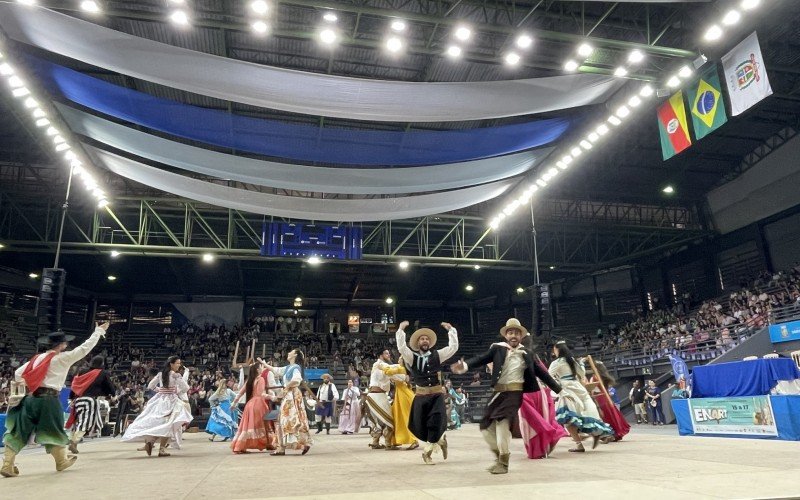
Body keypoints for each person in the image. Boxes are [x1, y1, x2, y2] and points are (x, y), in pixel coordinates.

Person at [452, 318, 561, 474]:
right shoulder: (497, 349)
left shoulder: (527, 353)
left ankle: (504, 461)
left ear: (521, 336)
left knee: (502, 422)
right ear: (506, 336)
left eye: (516, 333)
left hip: (514, 393)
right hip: (498, 392)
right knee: (484, 427)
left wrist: (560, 390)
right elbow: (481, 358)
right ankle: (499, 454)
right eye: (510, 333)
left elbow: (543, 374)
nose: (513, 335)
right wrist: (464, 366)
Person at [2, 323, 108, 477]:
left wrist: (35, 382)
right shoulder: (63, 358)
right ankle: (61, 461)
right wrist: (98, 331)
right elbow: (85, 348)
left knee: (17, 431)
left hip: (31, 399)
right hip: (49, 400)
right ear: (62, 345)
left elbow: (19, 374)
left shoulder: (36, 358)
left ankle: (7, 464)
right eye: (65, 342)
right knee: (53, 429)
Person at [396, 321, 459, 465]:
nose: (425, 340)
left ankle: (427, 453)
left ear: (430, 343)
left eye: (427, 339)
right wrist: (400, 330)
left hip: (436, 396)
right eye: (422, 339)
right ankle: (441, 441)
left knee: (435, 422)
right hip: (421, 396)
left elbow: (453, 348)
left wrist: (451, 330)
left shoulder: (438, 355)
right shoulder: (412, 357)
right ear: (418, 343)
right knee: (419, 425)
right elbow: (401, 347)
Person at [121, 356, 194, 457]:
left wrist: (160, 390)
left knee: (160, 423)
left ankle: (150, 443)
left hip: (160, 400)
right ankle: (161, 449)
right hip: (171, 401)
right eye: (177, 363)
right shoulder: (176, 375)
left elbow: (150, 385)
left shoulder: (161, 374)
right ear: (171, 364)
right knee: (168, 425)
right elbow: (186, 388)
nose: (179, 365)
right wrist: (175, 391)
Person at [548, 341, 613, 453]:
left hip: (567, 389)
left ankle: (580, 443)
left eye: (554, 349)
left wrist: (557, 385)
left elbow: (549, 376)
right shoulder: (572, 360)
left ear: (558, 350)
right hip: (578, 387)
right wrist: (581, 363)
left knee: (568, 418)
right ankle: (595, 434)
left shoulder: (557, 362)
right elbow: (582, 374)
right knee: (585, 413)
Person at [263, 349, 312, 455]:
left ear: (295, 355)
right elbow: (275, 370)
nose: (288, 352)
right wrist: (264, 364)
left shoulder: (295, 368)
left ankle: (299, 443)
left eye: (291, 351)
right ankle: (282, 447)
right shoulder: (288, 368)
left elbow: (296, 380)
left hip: (292, 395)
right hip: (288, 395)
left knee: (292, 419)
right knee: (285, 419)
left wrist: (286, 388)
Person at [66, 355, 116, 453]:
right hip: (90, 400)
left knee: (78, 422)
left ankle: (74, 443)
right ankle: (74, 440)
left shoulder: (81, 371)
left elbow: (75, 385)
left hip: (77, 400)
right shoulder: (102, 373)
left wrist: (71, 398)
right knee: (86, 422)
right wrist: (111, 395)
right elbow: (110, 388)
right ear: (102, 364)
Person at [230, 363, 270, 453]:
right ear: (257, 370)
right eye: (261, 367)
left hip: (249, 405)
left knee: (247, 427)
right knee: (263, 425)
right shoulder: (261, 379)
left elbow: (240, 393)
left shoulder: (250, 380)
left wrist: (233, 403)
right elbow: (261, 394)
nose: (263, 368)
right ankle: (268, 443)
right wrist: (272, 397)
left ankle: (240, 446)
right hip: (259, 404)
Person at [588, 359, 630, 442]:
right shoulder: (604, 376)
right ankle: (614, 433)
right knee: (611, 415)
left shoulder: (595, 377)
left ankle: (607, 434)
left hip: (599, 398)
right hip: (606, 398)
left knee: (604, 416)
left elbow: (593, 390)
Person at [364, 349, 396, 449]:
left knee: (379, 421)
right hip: (377, 395)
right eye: (386, 353)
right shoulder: (379, 365)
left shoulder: (382, 365)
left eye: (388, 353)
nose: (389, 354)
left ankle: (375, 442)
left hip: (377, 395)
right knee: (389, 420)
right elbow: (383, 376)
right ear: (381, 355)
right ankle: (388, 443)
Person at [383, 362, 419, 450]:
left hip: (403, 395)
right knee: (397, 417)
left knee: (406, 417)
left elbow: (388, 372)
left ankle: (414, 440)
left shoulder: (401, 369)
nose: (398, 359)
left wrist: (382, 367)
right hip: (400, 394)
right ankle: (396, 440)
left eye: (400, 358)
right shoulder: (401, 369)